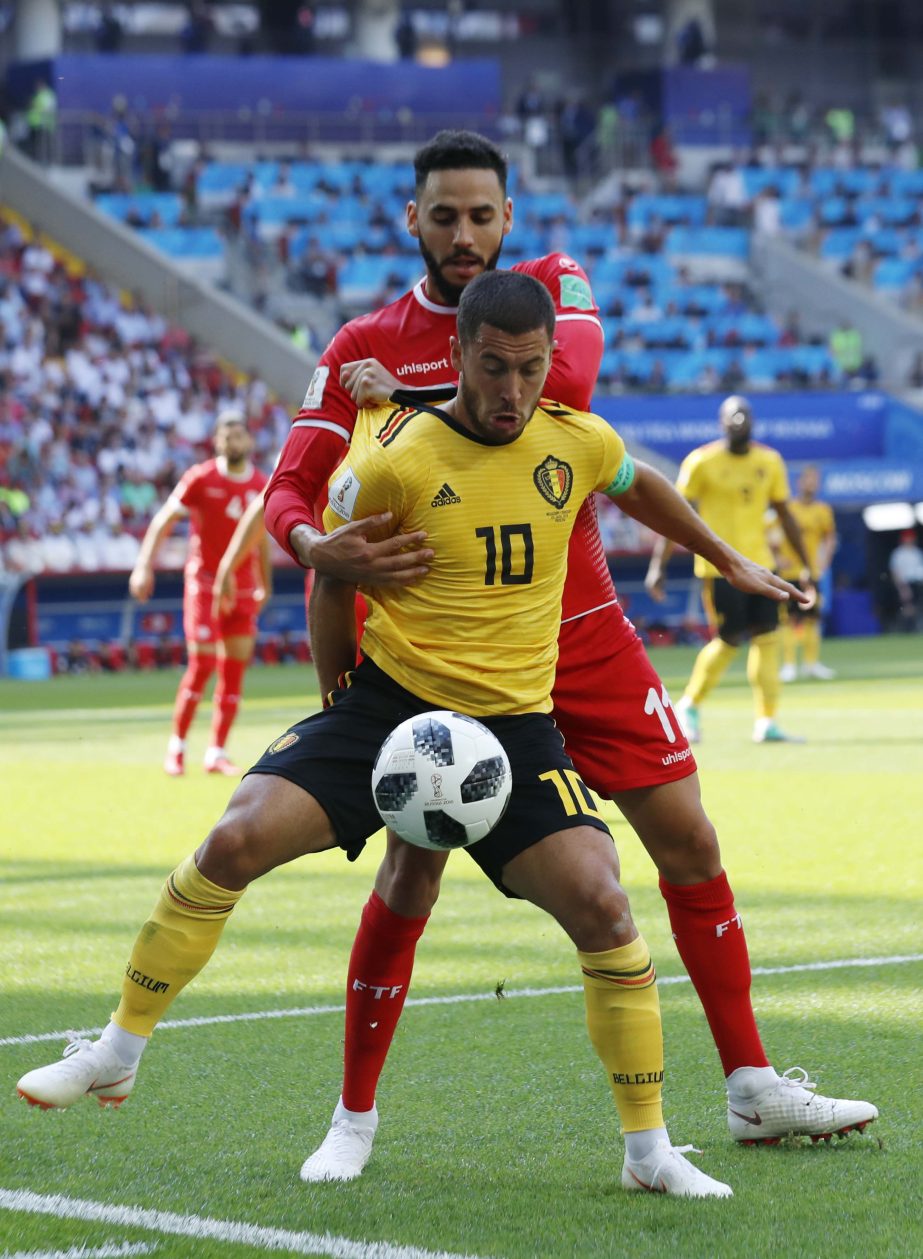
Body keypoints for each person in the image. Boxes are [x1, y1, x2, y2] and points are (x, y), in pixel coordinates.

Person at [16, 271, 804, 1197]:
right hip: (390, 707)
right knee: (233, 837)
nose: (512, 390)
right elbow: (333, 570)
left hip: (514, 730)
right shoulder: (392, 454)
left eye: (531, 368)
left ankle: (649, 1153)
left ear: (550, 361)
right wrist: (334, 703)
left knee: (604, 905)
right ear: (459, 356)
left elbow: (639, 484)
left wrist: (728, 557)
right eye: (494, 366)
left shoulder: (576, 442)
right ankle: (116, 1048)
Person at [228, 133, 874, 1180]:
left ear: (509, 217)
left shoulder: (551, 287)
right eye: (443, 215)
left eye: (482, 215)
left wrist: (394, 402)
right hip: (446, 649)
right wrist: (316, 537)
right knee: (410, 864)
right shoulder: (359, 339)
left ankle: (751, 1085)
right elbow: (292, 494)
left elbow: (557, 385)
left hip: (582, 635)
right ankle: (352, 1116)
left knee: (688, 843)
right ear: (411, 220)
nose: (464, 235)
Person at [646, 395, 813, 744]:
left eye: (745, 414)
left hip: (762, 566)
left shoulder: (770, 461)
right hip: (718, 568)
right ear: (721, 422)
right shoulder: (702, 462)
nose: (739, 420)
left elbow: (785, 514)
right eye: (732, 415)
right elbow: (674, 515)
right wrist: (657, 566)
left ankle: (766, 722)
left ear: (754, 421)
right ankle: (688, 706)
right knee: (729, 639)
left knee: (768, 638)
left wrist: (806, 564)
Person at [127, 409, 270, 776]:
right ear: (216, 442)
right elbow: (163, 520)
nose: (233, 441)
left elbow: (261, 539)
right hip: (205, 583)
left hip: (243, 586)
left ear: (249, 441)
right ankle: (177, 747)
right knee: (203, 663)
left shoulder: (261, 483)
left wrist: (265, 582)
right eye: (226, 436)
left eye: (239, 435)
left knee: (234, 668)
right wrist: (144, 564)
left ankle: (216, 752)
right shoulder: (200, 478)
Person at [770, 466, 837, 681]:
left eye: (815, 480)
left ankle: (811, 664)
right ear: (799, 483)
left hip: (812, 573)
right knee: (788, 619)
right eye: (808, 480)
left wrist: (825, 558)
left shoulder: (823, 510)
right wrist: (778, 558)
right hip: (789, 572)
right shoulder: (787, 509)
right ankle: (789, 665)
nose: (812, 484)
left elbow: (829, 537)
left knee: (812, 619)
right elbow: (768, 535)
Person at [889, 528, 923, 631]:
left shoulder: (917, 552)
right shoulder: (898, 554)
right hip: (905, 584)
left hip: (918, 583)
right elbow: (895, 572)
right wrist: (902, 588)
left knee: (917, 608)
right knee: (907, 608)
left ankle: (917, 629)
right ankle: (902, 629)